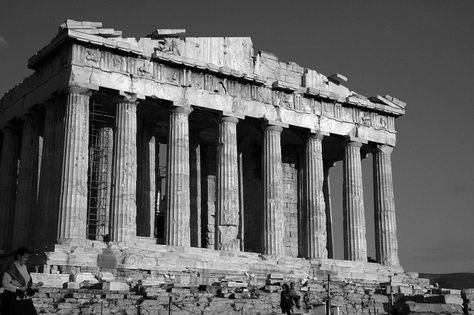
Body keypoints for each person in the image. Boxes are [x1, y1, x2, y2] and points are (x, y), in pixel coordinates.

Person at [0, 247, 43, 315]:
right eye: (25, 257)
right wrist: (18, 288)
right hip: (12, 300)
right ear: (19, 256)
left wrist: (35, 285)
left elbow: (26, 283)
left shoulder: (25, 267)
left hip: (24, 298)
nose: (26, 259)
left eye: (27, 257)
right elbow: (5, 283)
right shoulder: (11, 268)